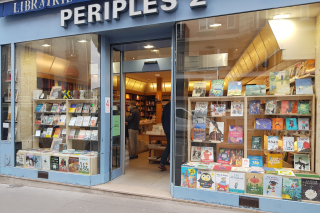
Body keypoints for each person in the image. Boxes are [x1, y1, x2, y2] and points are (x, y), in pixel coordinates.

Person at [159, 101, 171, 171]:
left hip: (167, 129)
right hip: (173, 129)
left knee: (169, 146)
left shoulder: (166, 106)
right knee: (172, 146)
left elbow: (162, 118)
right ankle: (162, 163)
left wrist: (164, 128)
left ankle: (162, 163)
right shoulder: (175, 105)